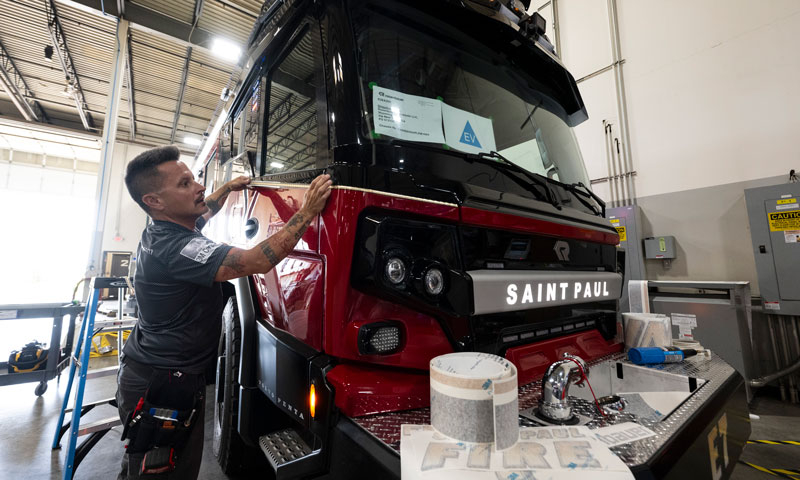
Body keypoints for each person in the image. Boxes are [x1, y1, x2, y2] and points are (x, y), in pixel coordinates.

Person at [118, 145, 331, 479]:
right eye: (185, 184)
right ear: (154, 201)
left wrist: (228, 189)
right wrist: (307, 211)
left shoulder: (170, 227)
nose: (198, 187)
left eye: (194, 179)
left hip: (157, 372)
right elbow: (255, 262)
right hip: (161, 386)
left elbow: (206, 210)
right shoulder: (177, 247)